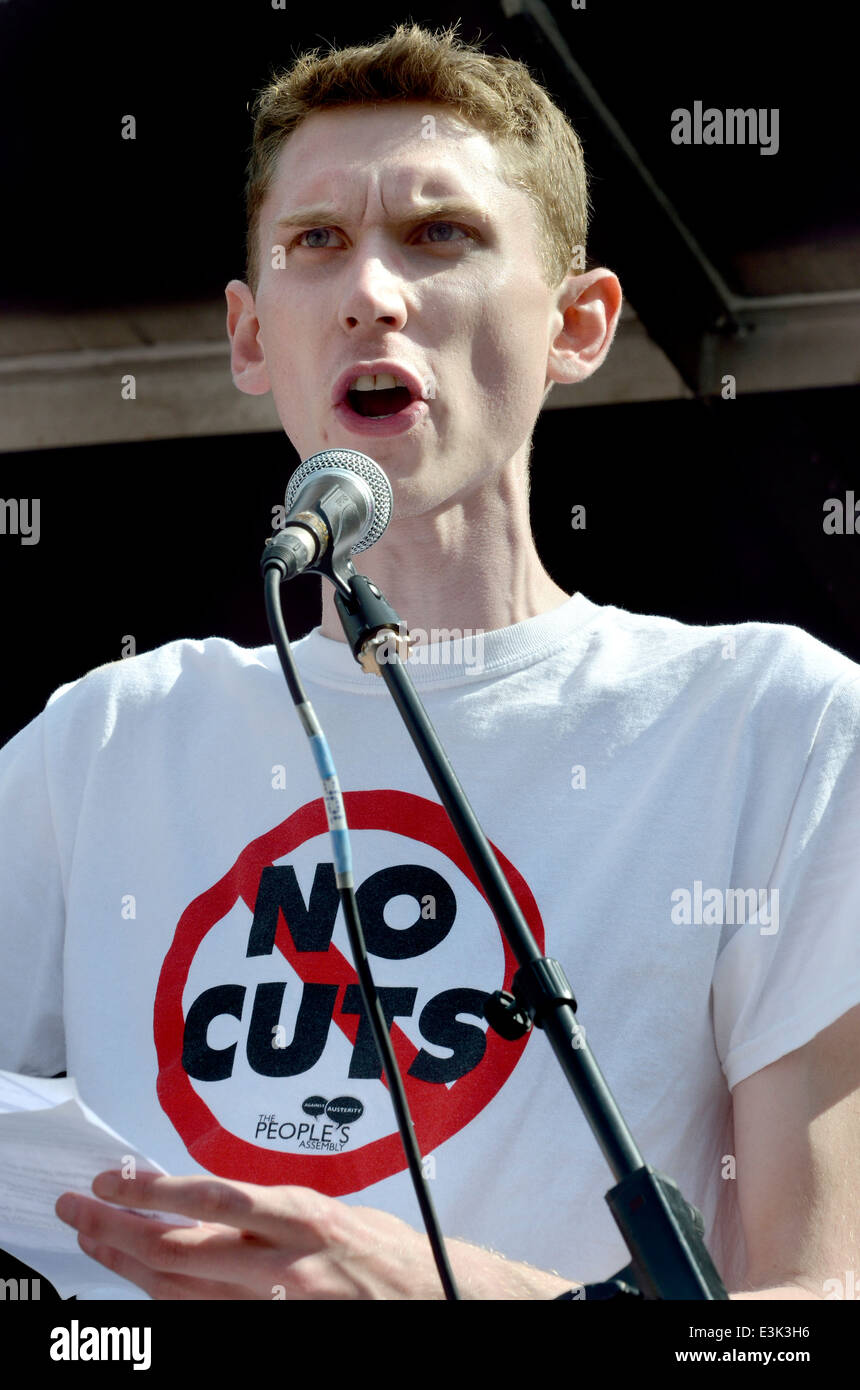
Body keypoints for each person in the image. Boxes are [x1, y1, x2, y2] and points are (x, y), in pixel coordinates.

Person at [1, 22, 857, 1301]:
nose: (370, 293)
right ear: (246, 338)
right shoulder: (101, 739)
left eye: (439, 236)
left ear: (579, 322)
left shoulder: (770, 723)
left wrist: (435, 1295)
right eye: (315, 245)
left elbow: (817, 1306)